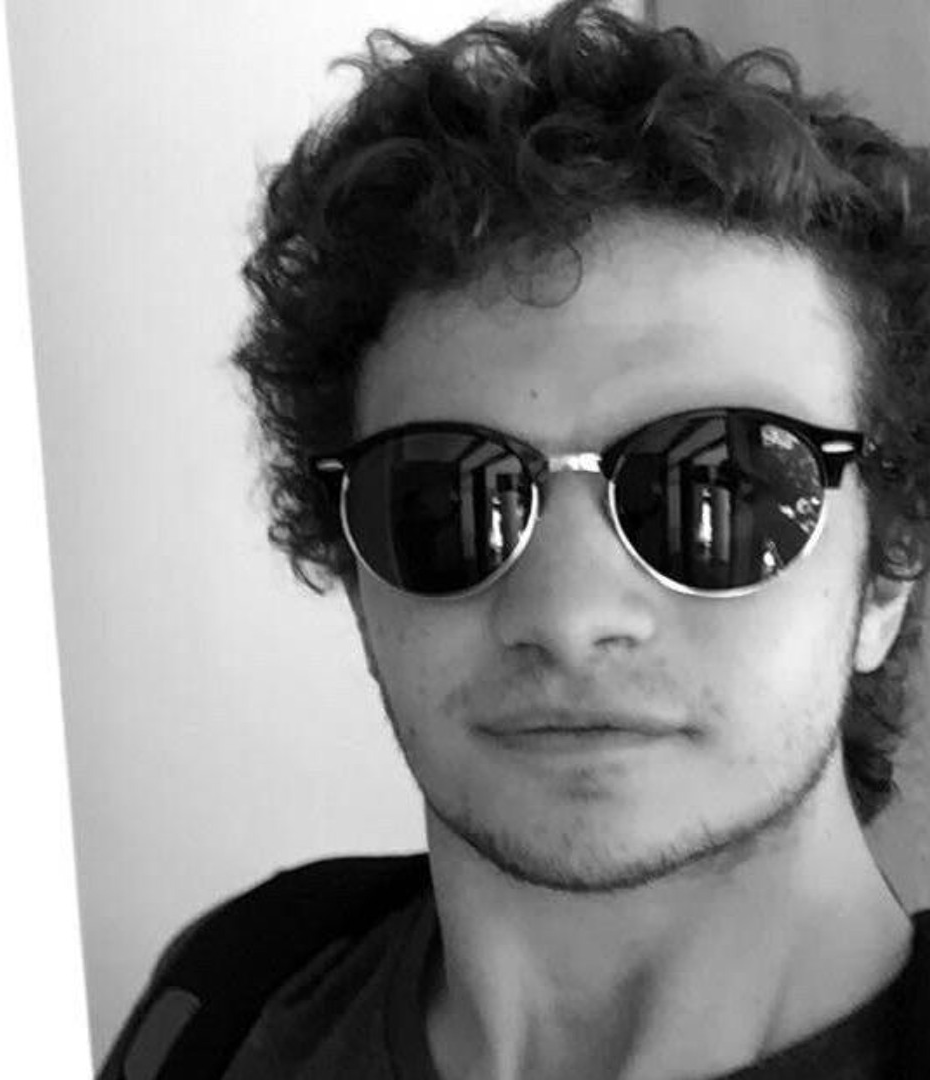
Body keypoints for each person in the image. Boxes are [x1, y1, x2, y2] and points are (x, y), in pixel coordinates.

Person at [98, 2, 930, 1077]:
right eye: (449, 495)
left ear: (887, 575)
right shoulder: (229, 993)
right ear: (355, 572)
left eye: (718, 486)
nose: (567, 614)